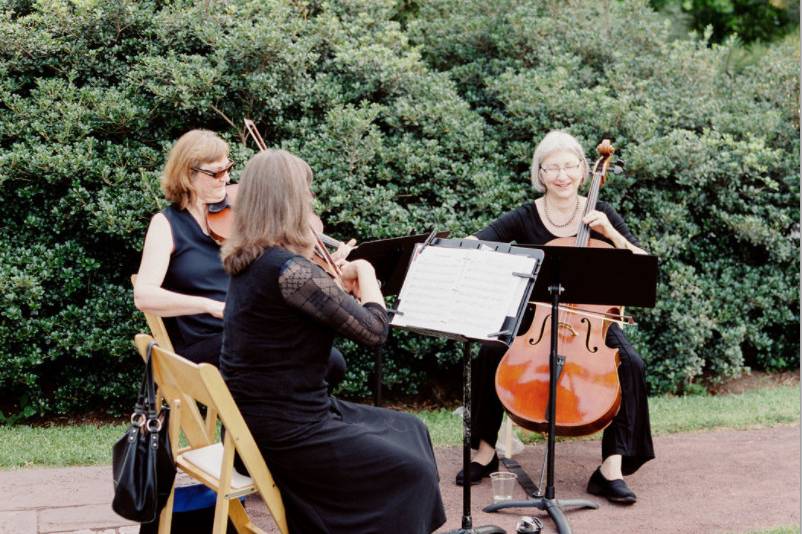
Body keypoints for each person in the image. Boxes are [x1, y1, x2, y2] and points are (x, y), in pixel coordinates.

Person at [219, 149, 446, 533]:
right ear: (289, 201)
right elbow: (375, 331)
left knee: (412, 429)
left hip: (263, 417)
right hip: (288, 431)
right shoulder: (291, 270)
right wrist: (366, 272)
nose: (311, 200)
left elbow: (298, 317)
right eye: (305, 193)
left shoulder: (253, 258)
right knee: (414, 471)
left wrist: (333, 284)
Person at [457, 130, 654, 505]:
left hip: (591, 319)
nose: (562, 175)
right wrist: (460, 248)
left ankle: (610, 468)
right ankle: (483, 452)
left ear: (583, 171)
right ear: (541, 174)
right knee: (489, 352)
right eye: (552, 168)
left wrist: (610, 234)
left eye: (569, 166)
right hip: (540, 316)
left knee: (631, 363)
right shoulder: (527, 215)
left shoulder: (602, 213)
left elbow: (642, 265)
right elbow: (480, 240)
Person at [133, 129, 347, 386]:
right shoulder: (166, 225)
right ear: (188, 175)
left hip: (251, 331)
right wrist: (209, 306)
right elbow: (144, 295)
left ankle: (282, 420)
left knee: (331, 361)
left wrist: (322, 264)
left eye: (228, 168)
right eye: (216, 173)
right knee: (290, 360)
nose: (226, 179)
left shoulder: (240, 218)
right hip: (203, 342)